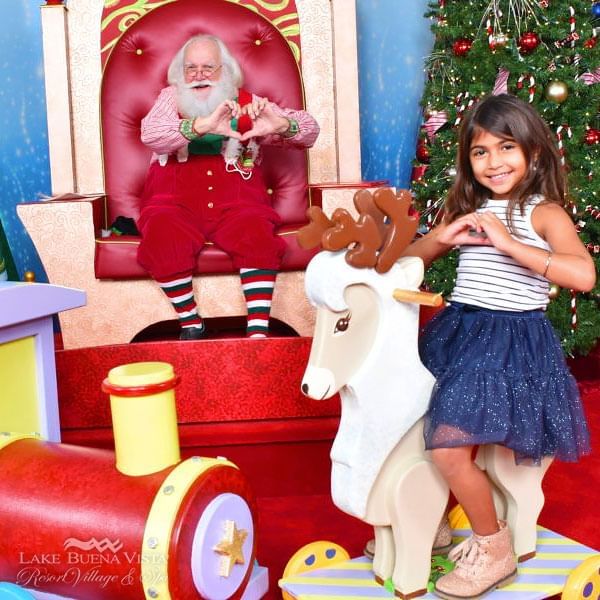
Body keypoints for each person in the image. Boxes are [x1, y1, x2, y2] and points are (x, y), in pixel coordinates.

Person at [404, 93, 596, 600]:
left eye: (506, 147)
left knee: (448, 447)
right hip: (461, 330)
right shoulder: (468, 206)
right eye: (480, 151)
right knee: (416, 424)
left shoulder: (544, 212)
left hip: (510, 342)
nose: (494, 162)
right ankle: (438, 520)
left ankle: (493, 546)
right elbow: (406, 262)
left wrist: (510, 243)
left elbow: (583, 274)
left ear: (532, 150)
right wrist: (444, 237)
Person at [137, 34, 320, 339]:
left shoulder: (249, 103)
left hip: (239, 204)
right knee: (162, 233)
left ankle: (258, 331)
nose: (198, 75)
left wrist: (282, 125)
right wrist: (203, 125)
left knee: (256, 234)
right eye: (190, 68)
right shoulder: (170, 99)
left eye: (209, 67)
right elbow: (152, 134)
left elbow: (310, 131)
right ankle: (191, 324)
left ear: (227, 71)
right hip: (174, 203)